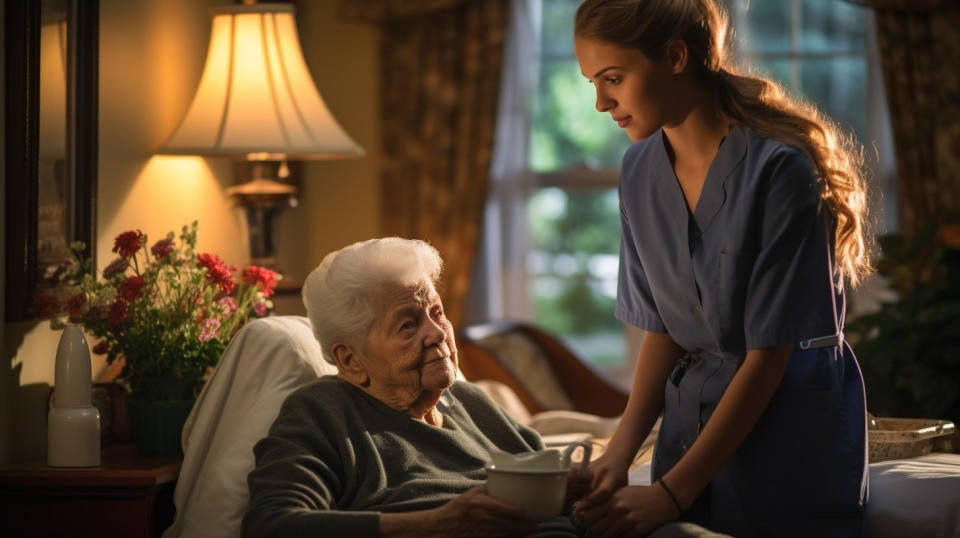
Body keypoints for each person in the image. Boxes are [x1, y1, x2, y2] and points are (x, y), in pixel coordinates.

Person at [571, 1, 874, 537]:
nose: (600, 103)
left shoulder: (780, 170)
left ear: (675, 56)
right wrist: (618, 457)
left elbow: (768, 356)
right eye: (593, 82)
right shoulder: (639, 170)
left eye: (613, 78)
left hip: (785, 439)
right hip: (686, 435)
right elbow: (663, 330)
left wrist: (669, 494)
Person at [242, 237, 591, 538]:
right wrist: (437, 524)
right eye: (407, 325)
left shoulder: (471, 402)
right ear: (351, 360)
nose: (438, 333)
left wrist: (574, 494)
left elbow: (546, 478)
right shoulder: (322, 412)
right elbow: (272, 525)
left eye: (437, 313)